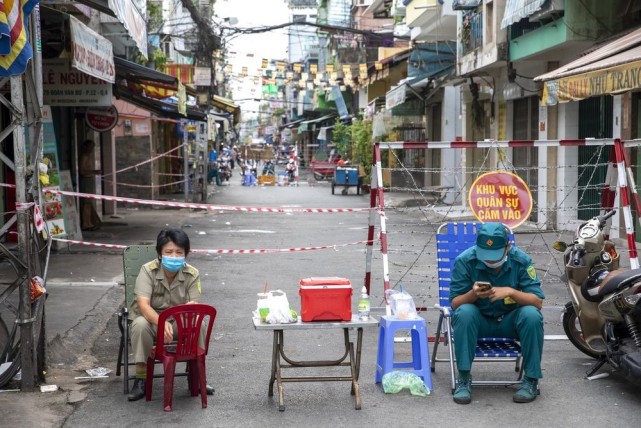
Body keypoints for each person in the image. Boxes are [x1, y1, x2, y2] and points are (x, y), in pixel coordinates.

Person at [449, 222, 544, 405]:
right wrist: (472, 294)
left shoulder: (521, 261)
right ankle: (463, 378)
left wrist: (511, 292)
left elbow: (537, 302)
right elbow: (455, 304)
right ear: (478, 248)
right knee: (464, 312)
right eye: (486, 256)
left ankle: (531, 380)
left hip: (511, 321)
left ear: (508, 247)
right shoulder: (465, 260)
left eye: (495, 256)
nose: (491, 262)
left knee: (531, 315)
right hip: (480, 322)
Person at [127, 228, 214, 401]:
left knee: (199, 321)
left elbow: (194, 303)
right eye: (168, 252)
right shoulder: (147, 271)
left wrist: (190, 310)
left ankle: (197, 374)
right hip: (151, 320)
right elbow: (143, 305)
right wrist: (160, 322)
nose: (173, 256)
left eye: (178, 252)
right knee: (139, 324)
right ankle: (141, 378)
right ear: (160, 253)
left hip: (179, 321)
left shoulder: (192, 274)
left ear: (185, 254)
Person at [78, 140, 102, 231]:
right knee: (86, 203)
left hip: (89, 179)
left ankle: (88, 222)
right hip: (86, 180)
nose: (92, 149)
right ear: (86, 147)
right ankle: (86, 223)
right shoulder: (84, 157)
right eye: (91, 147)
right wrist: (94, 172)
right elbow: (82, 171)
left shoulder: (88, 156)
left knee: (88, 203)